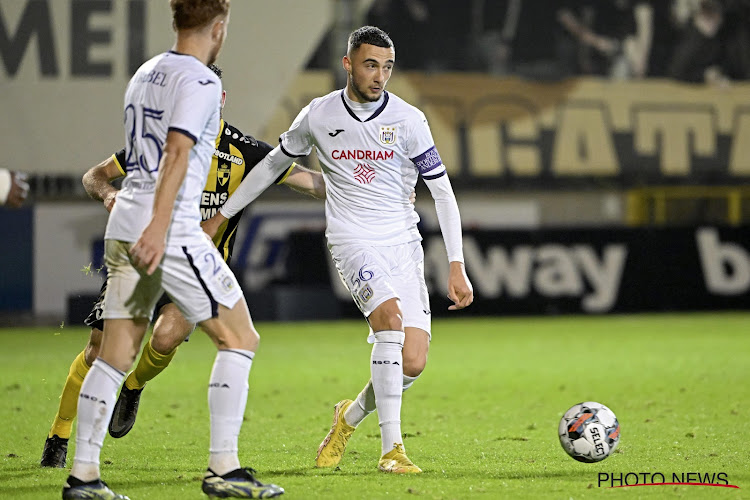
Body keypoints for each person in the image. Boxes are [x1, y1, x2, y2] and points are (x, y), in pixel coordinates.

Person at [203, 25, 474, 474]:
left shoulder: (408, 120)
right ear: (347, 63)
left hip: (403, 244)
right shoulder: (318, 115)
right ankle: (393, 450)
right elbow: (274, 164)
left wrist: (456, 264)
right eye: (371, 65)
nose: (380, 76)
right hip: (352, 241)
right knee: (389, 323)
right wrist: (223, 214)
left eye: (387, 67)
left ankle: (346, 418)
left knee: (413, 362)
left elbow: (443, 193)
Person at [41, 63, 324, 471]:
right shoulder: (156, 145)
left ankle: (135, 387)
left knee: (168, 337)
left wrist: (371, 191)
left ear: (220, 100)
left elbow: (311, 182)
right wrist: (107, 194)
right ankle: (59, 434)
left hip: (198, 266)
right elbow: (94, 176)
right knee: (101, 350)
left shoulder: (246, 152)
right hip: (143, 257)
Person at [61, 1, 285, 498]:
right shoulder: (201, 80)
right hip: (171, 226)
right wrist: (162, 227)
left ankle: (84, 477)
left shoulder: (146, 73)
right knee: (240, 338)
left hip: (124, 221)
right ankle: (223, 471)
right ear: (219, 27)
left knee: (114, 355)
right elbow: (178, 152)